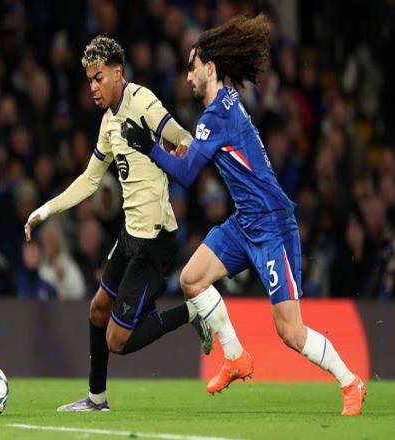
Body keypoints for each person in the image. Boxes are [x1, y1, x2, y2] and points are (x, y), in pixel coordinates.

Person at [122, 14, 366, 416]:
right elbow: (197, 155)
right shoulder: (226, 103)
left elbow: (186, 174)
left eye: (192, 67)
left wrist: (148, 146)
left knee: (290, 331)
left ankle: (350, 382)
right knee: (191, 279)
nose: (188, 77)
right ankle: (235, 357)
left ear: (210, 68)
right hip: (245, 221)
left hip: (271, 225)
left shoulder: (216, 116)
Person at [24, 35, 213, 412]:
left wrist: (178, 149)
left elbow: (184, 138)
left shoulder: (143, 101)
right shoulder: (108, 122)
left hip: (154, 241)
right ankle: (96, 399)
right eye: (89, 81)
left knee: (117, 340)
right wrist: (45, 210)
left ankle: (192, 312)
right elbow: (90, 180)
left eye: (98, 78)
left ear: (117, 72)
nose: (93, 87)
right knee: (97, 309)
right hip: (130, 235)